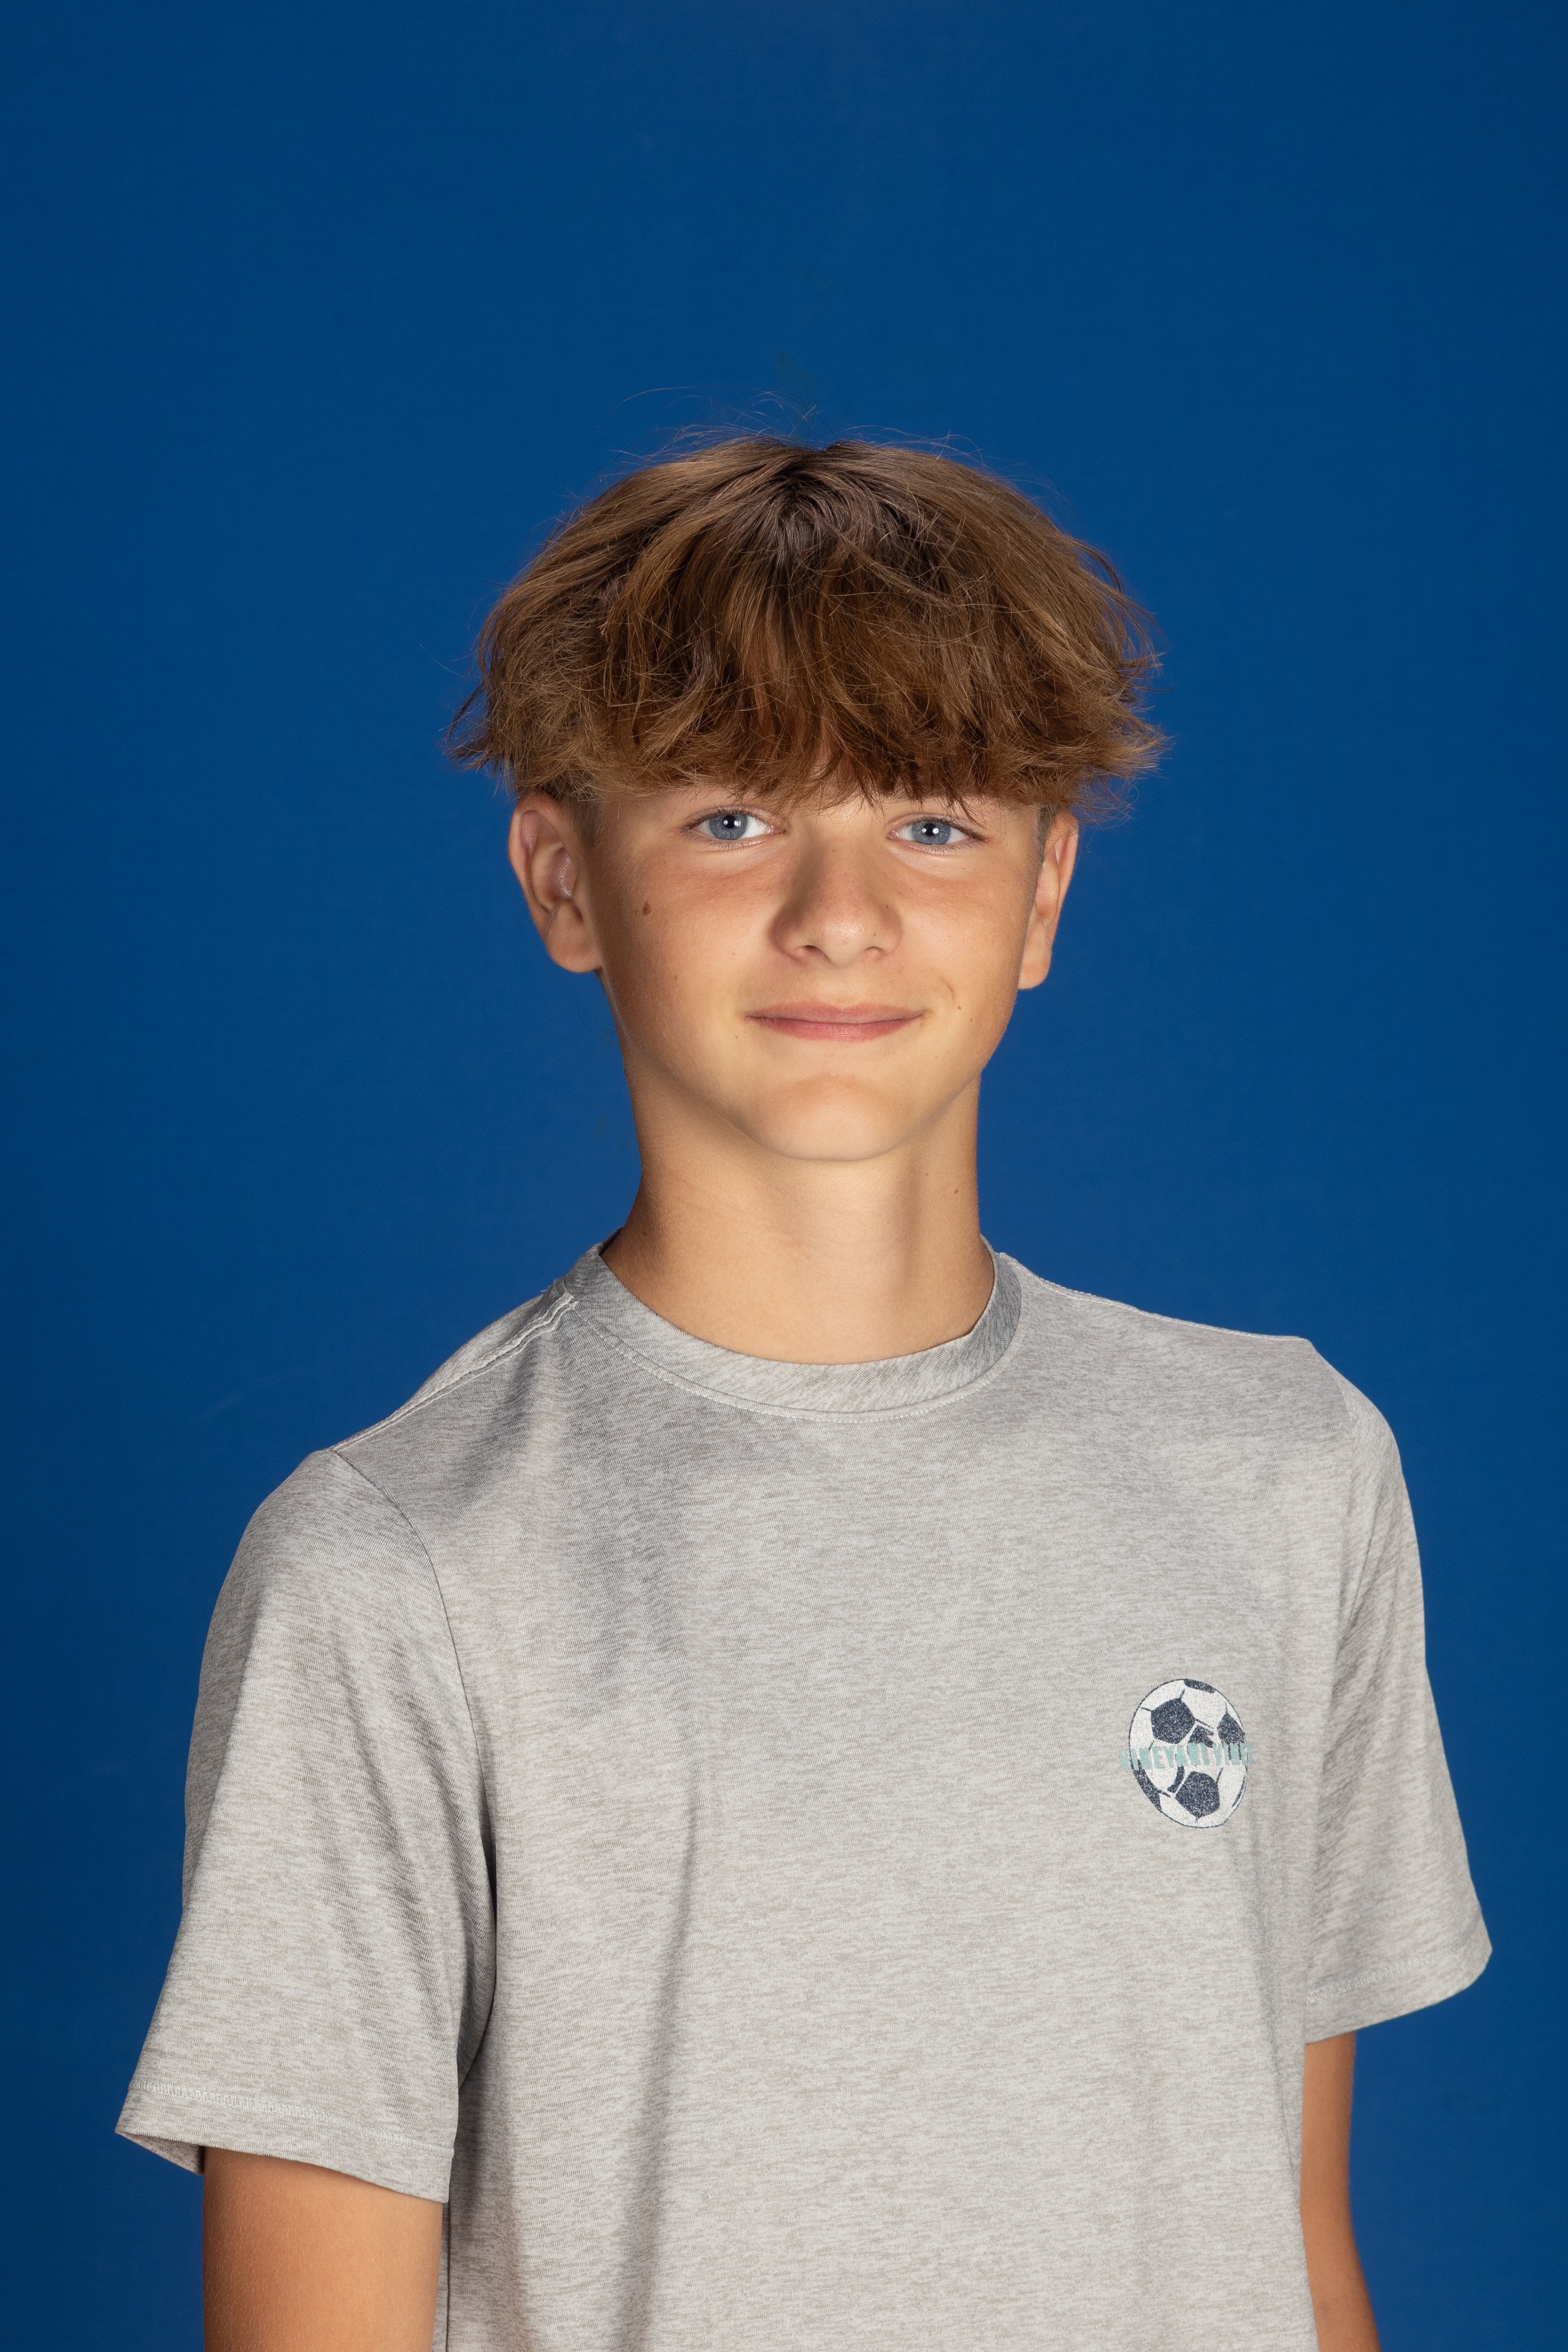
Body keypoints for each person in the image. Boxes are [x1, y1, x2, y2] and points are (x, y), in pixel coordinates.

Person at [118, 437, 1488, 2352]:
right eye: (734, 815)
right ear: (563, 877)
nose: (840, 914)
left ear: (1044, 891)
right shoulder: (390, 1572)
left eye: (931, 822)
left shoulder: (1286, 1473)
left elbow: (1294, 2241)